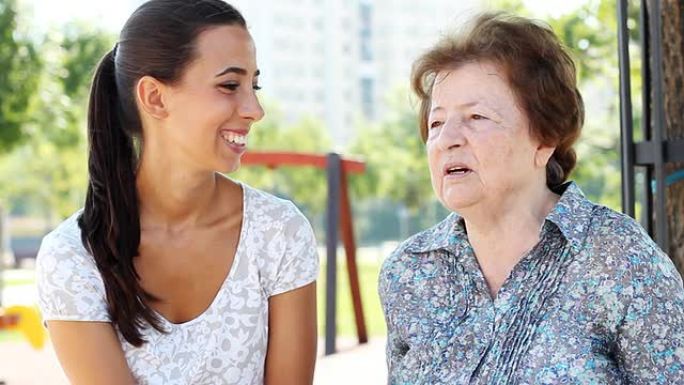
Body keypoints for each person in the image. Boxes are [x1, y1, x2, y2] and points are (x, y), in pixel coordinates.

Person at [379, 12, 684, 384]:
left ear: (544, 139)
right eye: (437, 123)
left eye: (476, 116)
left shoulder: (618, 257)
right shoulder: (408, 272)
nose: (447, 139)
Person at [35, 1, 319, 384]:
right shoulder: (73, 257)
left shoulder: (280, 232)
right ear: (154, 97)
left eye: (254, 85)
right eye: (230, 85)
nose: (254, 109)